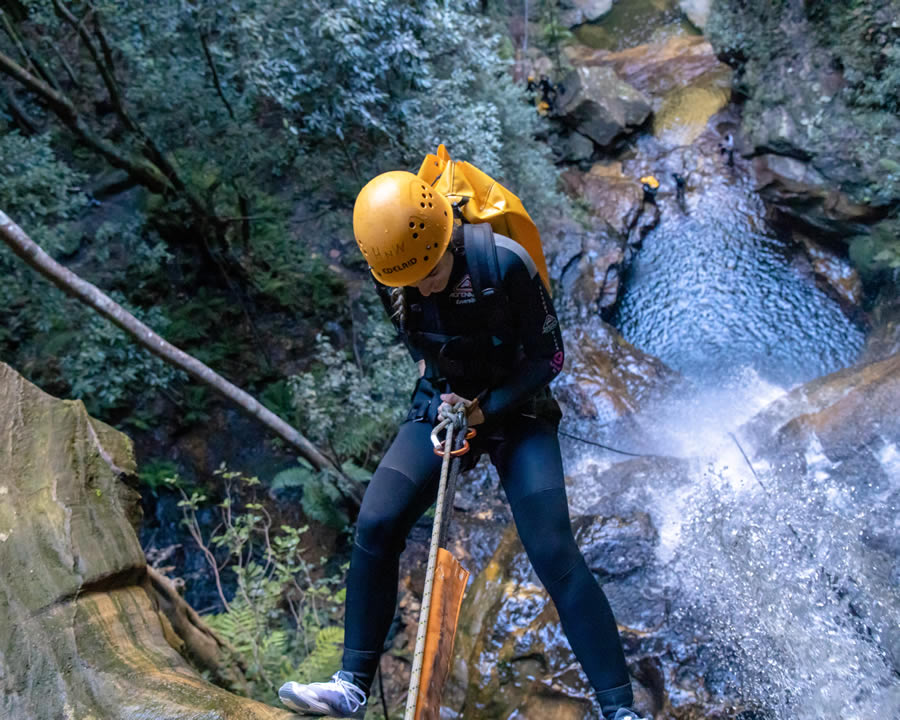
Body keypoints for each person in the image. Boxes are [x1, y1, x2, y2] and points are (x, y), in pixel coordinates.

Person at [278, 170, 648, 720]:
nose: (422, 287)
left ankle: (621, 710)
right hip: (446, 401)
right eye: (409, 281)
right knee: (377, 524)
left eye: (428, 274)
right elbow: (420, 344)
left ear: (441, 240)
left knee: (553, 552)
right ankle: (350, 686)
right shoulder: (395, 271)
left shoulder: (503, 264)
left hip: (517, 409)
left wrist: (485, 410)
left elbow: (550, 358)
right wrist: (448, 398)